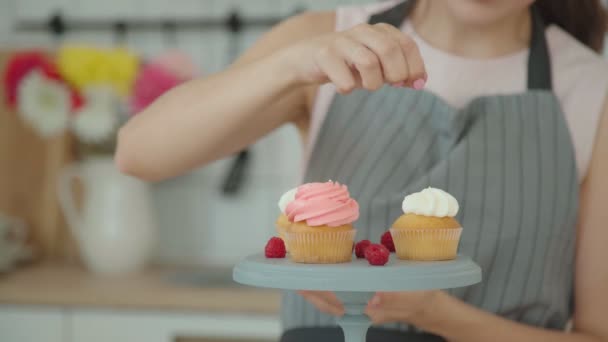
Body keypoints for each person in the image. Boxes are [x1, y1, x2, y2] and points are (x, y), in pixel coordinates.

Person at [115, 0, 608, 341]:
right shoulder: (330, 38)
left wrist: (442, 317)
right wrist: (294, 63)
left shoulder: (591, 91)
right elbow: (138, 153)